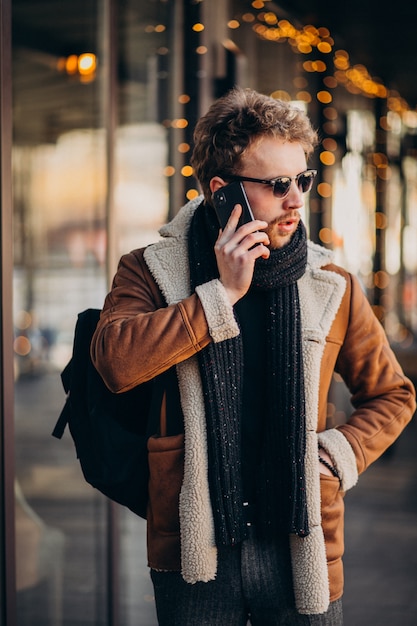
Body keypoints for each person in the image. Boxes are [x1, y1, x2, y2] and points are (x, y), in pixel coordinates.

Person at [90, 87, 416, 625]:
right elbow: (116, 364)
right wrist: (219, 296)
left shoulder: (328, 282)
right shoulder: (152, 269)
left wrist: (338, 455)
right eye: (277, 185)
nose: (296, 200)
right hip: (196, 549)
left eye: (303, 180)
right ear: (222, 191)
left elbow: (392, 394)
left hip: (301, 539)